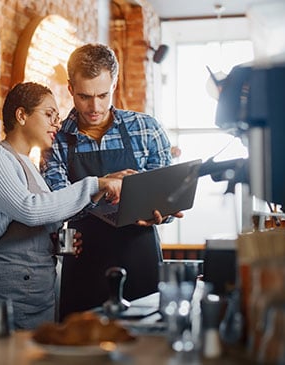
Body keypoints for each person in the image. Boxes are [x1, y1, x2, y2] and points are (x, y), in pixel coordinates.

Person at [0, 82, 124, 330]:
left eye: (57, 118)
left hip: (38, 295)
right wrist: (95, 185)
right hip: (1, 295)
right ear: (21, 115)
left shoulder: (31, 168)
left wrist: (57, 242)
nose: (56, 124)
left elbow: (35, 222)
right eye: (49, 115)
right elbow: (30, 210)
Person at [41, 43, 182, 320]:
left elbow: (168, 198)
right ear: (70, 89)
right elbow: (56, 206)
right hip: (85, 263)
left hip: (140, 258)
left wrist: (162, 213)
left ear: (114, 84)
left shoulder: (146, 128)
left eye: (103, 95)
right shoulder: (54, 140)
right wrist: (102, 185)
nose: (94, 106)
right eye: (84, 96)